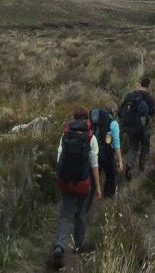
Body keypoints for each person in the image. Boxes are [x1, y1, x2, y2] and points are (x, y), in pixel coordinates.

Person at [46, 107, 102, 271]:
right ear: (87, 120)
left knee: (65, 215)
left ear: (73, 118)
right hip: (83, 184)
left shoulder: (66, 135)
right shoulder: (90, 137)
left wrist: (62, 178)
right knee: (81, 214)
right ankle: (78, 245)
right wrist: (98, 186)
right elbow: (94, 164)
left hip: (65, 182)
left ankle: (60, 247)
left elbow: (59, 159)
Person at [119, 77, 155, 180]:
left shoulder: (130, 95)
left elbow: (120, 112)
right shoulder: (149, 98)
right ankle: (142, 169)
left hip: (130, 128)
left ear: (140, 84)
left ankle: (129, 165)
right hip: (143, 128)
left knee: (133, 148)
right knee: (145, 147)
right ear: (148, 85)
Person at [88, 101, 124, 199]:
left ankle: (86, 204)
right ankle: (108, 197)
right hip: (106, 153)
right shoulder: (113, 122)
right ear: (113, 111)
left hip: (91, 152)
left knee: (93, 179)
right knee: (111, 174)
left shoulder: (94, 120)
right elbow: (116, 143)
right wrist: (120, 160)